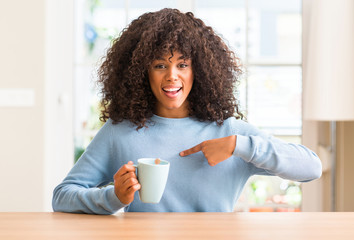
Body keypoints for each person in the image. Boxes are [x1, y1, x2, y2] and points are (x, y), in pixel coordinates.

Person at [52, 8, 322, 214]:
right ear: (141, 72)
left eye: (183, 65)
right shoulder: (120, 132)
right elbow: (62, 196)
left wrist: (240, 146)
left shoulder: (229, 133)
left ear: (200, 70)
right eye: (159, 65)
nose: (172, 76)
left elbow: (311, 167)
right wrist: (114, 197)